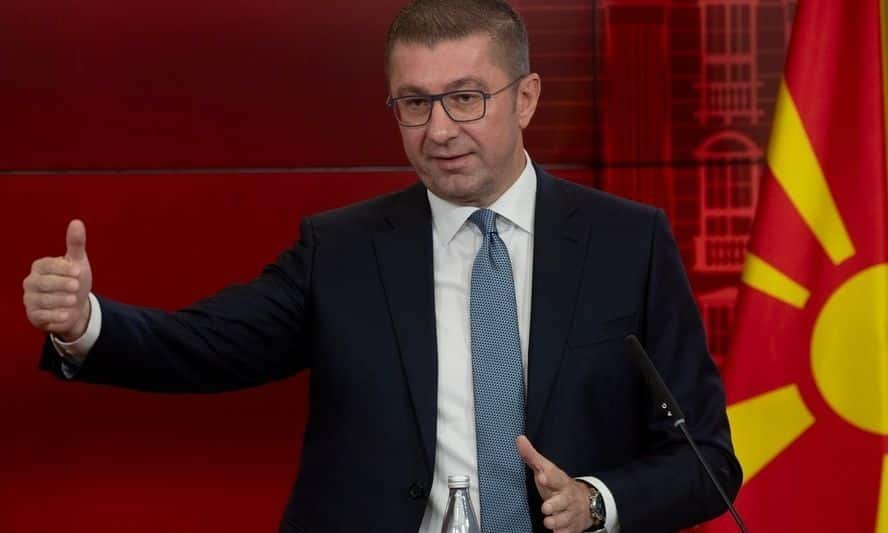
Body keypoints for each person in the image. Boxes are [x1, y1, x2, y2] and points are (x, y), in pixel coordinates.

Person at [22, 1, 742, 531]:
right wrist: (86, 323)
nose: (439, 130)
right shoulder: (342, 250)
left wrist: (595, 502)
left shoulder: (628, 244)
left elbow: (705, 460)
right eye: (414, 103)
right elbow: (206, 345)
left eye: (465, 98)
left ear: (525, 98)